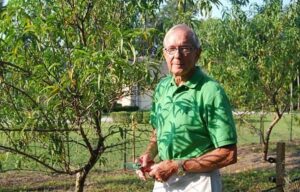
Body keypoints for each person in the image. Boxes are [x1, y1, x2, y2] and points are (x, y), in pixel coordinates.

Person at [136, 24, 237, 192]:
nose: (177, 56)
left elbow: (228, 153)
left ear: (198, 53)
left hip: (199, 181)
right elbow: (157, 132)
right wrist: (149, 155)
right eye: (172, 49)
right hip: (163, 177)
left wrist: (178, 166)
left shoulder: (210, 91)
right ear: (164, 54)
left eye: (185, 48)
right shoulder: (162, 88)